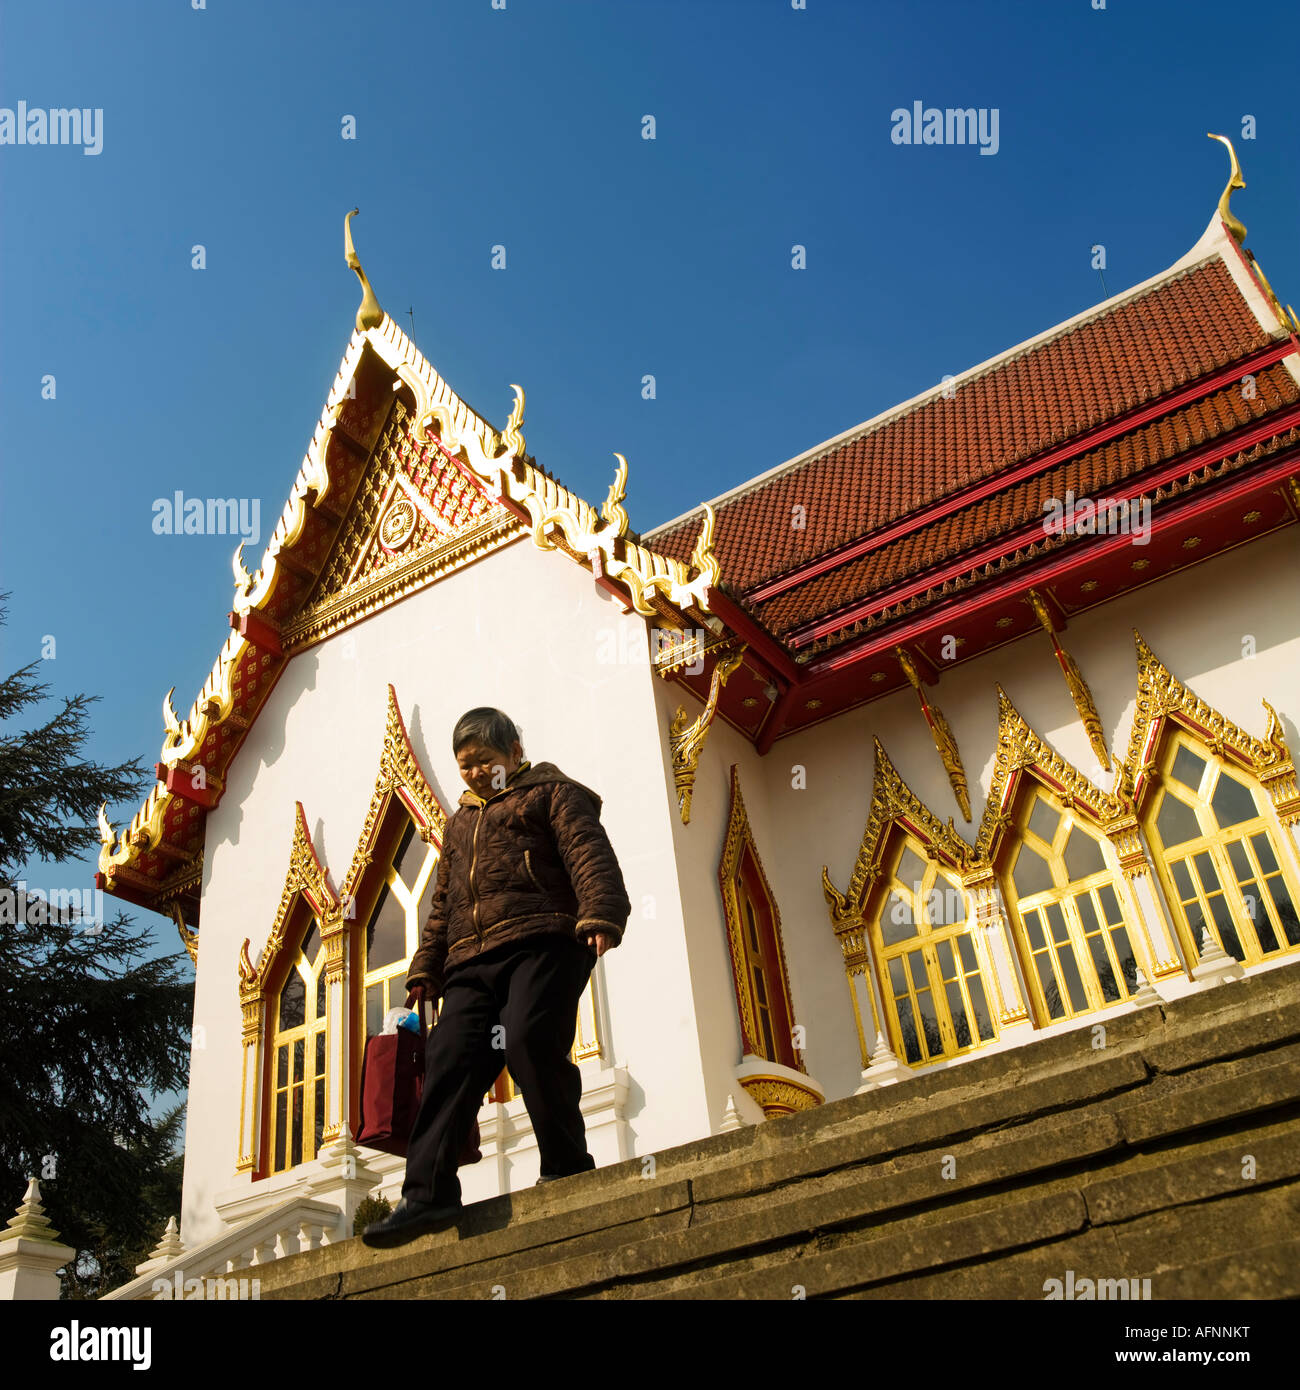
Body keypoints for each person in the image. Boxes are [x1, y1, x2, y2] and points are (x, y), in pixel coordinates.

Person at [361, 707, 630, 1248]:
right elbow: (444, 903)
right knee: (448, 1060)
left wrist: (600, 911)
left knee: (530, 1038)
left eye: (485, 760)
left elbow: (587, 853)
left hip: (544, 939)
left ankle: (566, 1163)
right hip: (469, 961)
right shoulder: (459, 822)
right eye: (465, 766)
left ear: (513, 751)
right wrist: (425, 967)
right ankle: (427, 1195)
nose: (477, 773)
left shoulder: (553, 792)